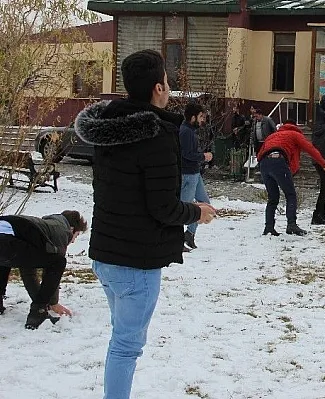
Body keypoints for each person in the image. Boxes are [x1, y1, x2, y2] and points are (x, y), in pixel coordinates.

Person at [74, 49, 216, 399]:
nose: (169, 89)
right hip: (135, 262)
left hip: (105, 256)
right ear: (158, 88)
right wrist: (197, 212)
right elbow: (163, 207)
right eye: (168, 82)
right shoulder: (157, 135)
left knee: (120, 340)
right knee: (126, 347)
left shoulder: (108, 130)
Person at [0, 210, 87, 329]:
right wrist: (52, 303)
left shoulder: (44, 225)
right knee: (58, 262)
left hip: (4, 228)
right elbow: (50, 271)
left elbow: (27, 268)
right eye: (76, 236)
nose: (73, 240)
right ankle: (38, 314)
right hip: (7, 239)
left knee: (4, 259)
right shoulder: (62, 231)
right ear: (71, 229)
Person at [258, 120, 325, 236]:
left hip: (264, 163)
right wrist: (324, 164)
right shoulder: (295, 134)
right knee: (290, 195)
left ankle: (269, 227)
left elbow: (260, 153)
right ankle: (291, 224)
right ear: (295, 127)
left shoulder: (273, 136)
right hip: (279, 161)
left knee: (272, 198)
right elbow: (310, 149)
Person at [180, 102, 213, 250]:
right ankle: (177, 240)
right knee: (185, 207)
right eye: (201, 116)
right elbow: (187, 154)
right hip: (188, 174)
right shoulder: (186, 132)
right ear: (193, 117)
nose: (202, 120)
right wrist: (203, 156)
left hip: (195, 173)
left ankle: (190, 234)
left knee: (204, 203)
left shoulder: (190, 131)